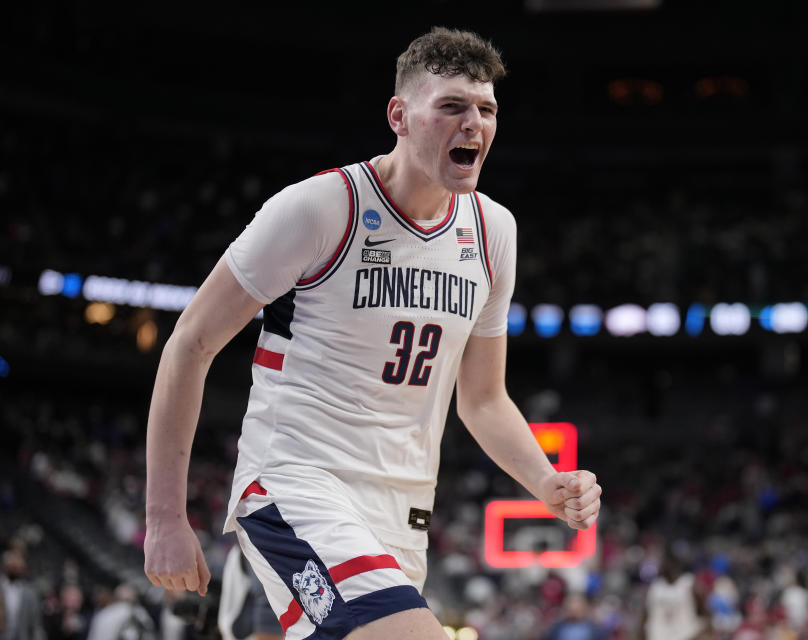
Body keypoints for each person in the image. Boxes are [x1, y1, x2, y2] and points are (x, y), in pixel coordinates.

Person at [143, 26, 602, 640]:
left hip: (402, 510)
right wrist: (165, 518)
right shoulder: (321, 207)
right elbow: (190, 344)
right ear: (400, 115)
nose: (474, 125)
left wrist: (545, 481)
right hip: (297, 482)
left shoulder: (494, 232)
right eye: (452, 107)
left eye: (486, 110)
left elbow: (485, 399)